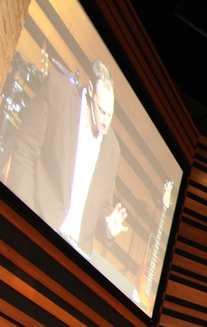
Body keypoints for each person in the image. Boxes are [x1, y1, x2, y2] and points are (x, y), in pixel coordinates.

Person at [7, 58, 126, 252]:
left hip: (74, 253)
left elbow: (103, 205)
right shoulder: (58, 92)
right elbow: (24, 150)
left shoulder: (112, 148)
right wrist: (25, 214)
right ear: (89, 91)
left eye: (110, 114)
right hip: (39, 228)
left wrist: (109, 226)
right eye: (102, 111)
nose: (106, 121)